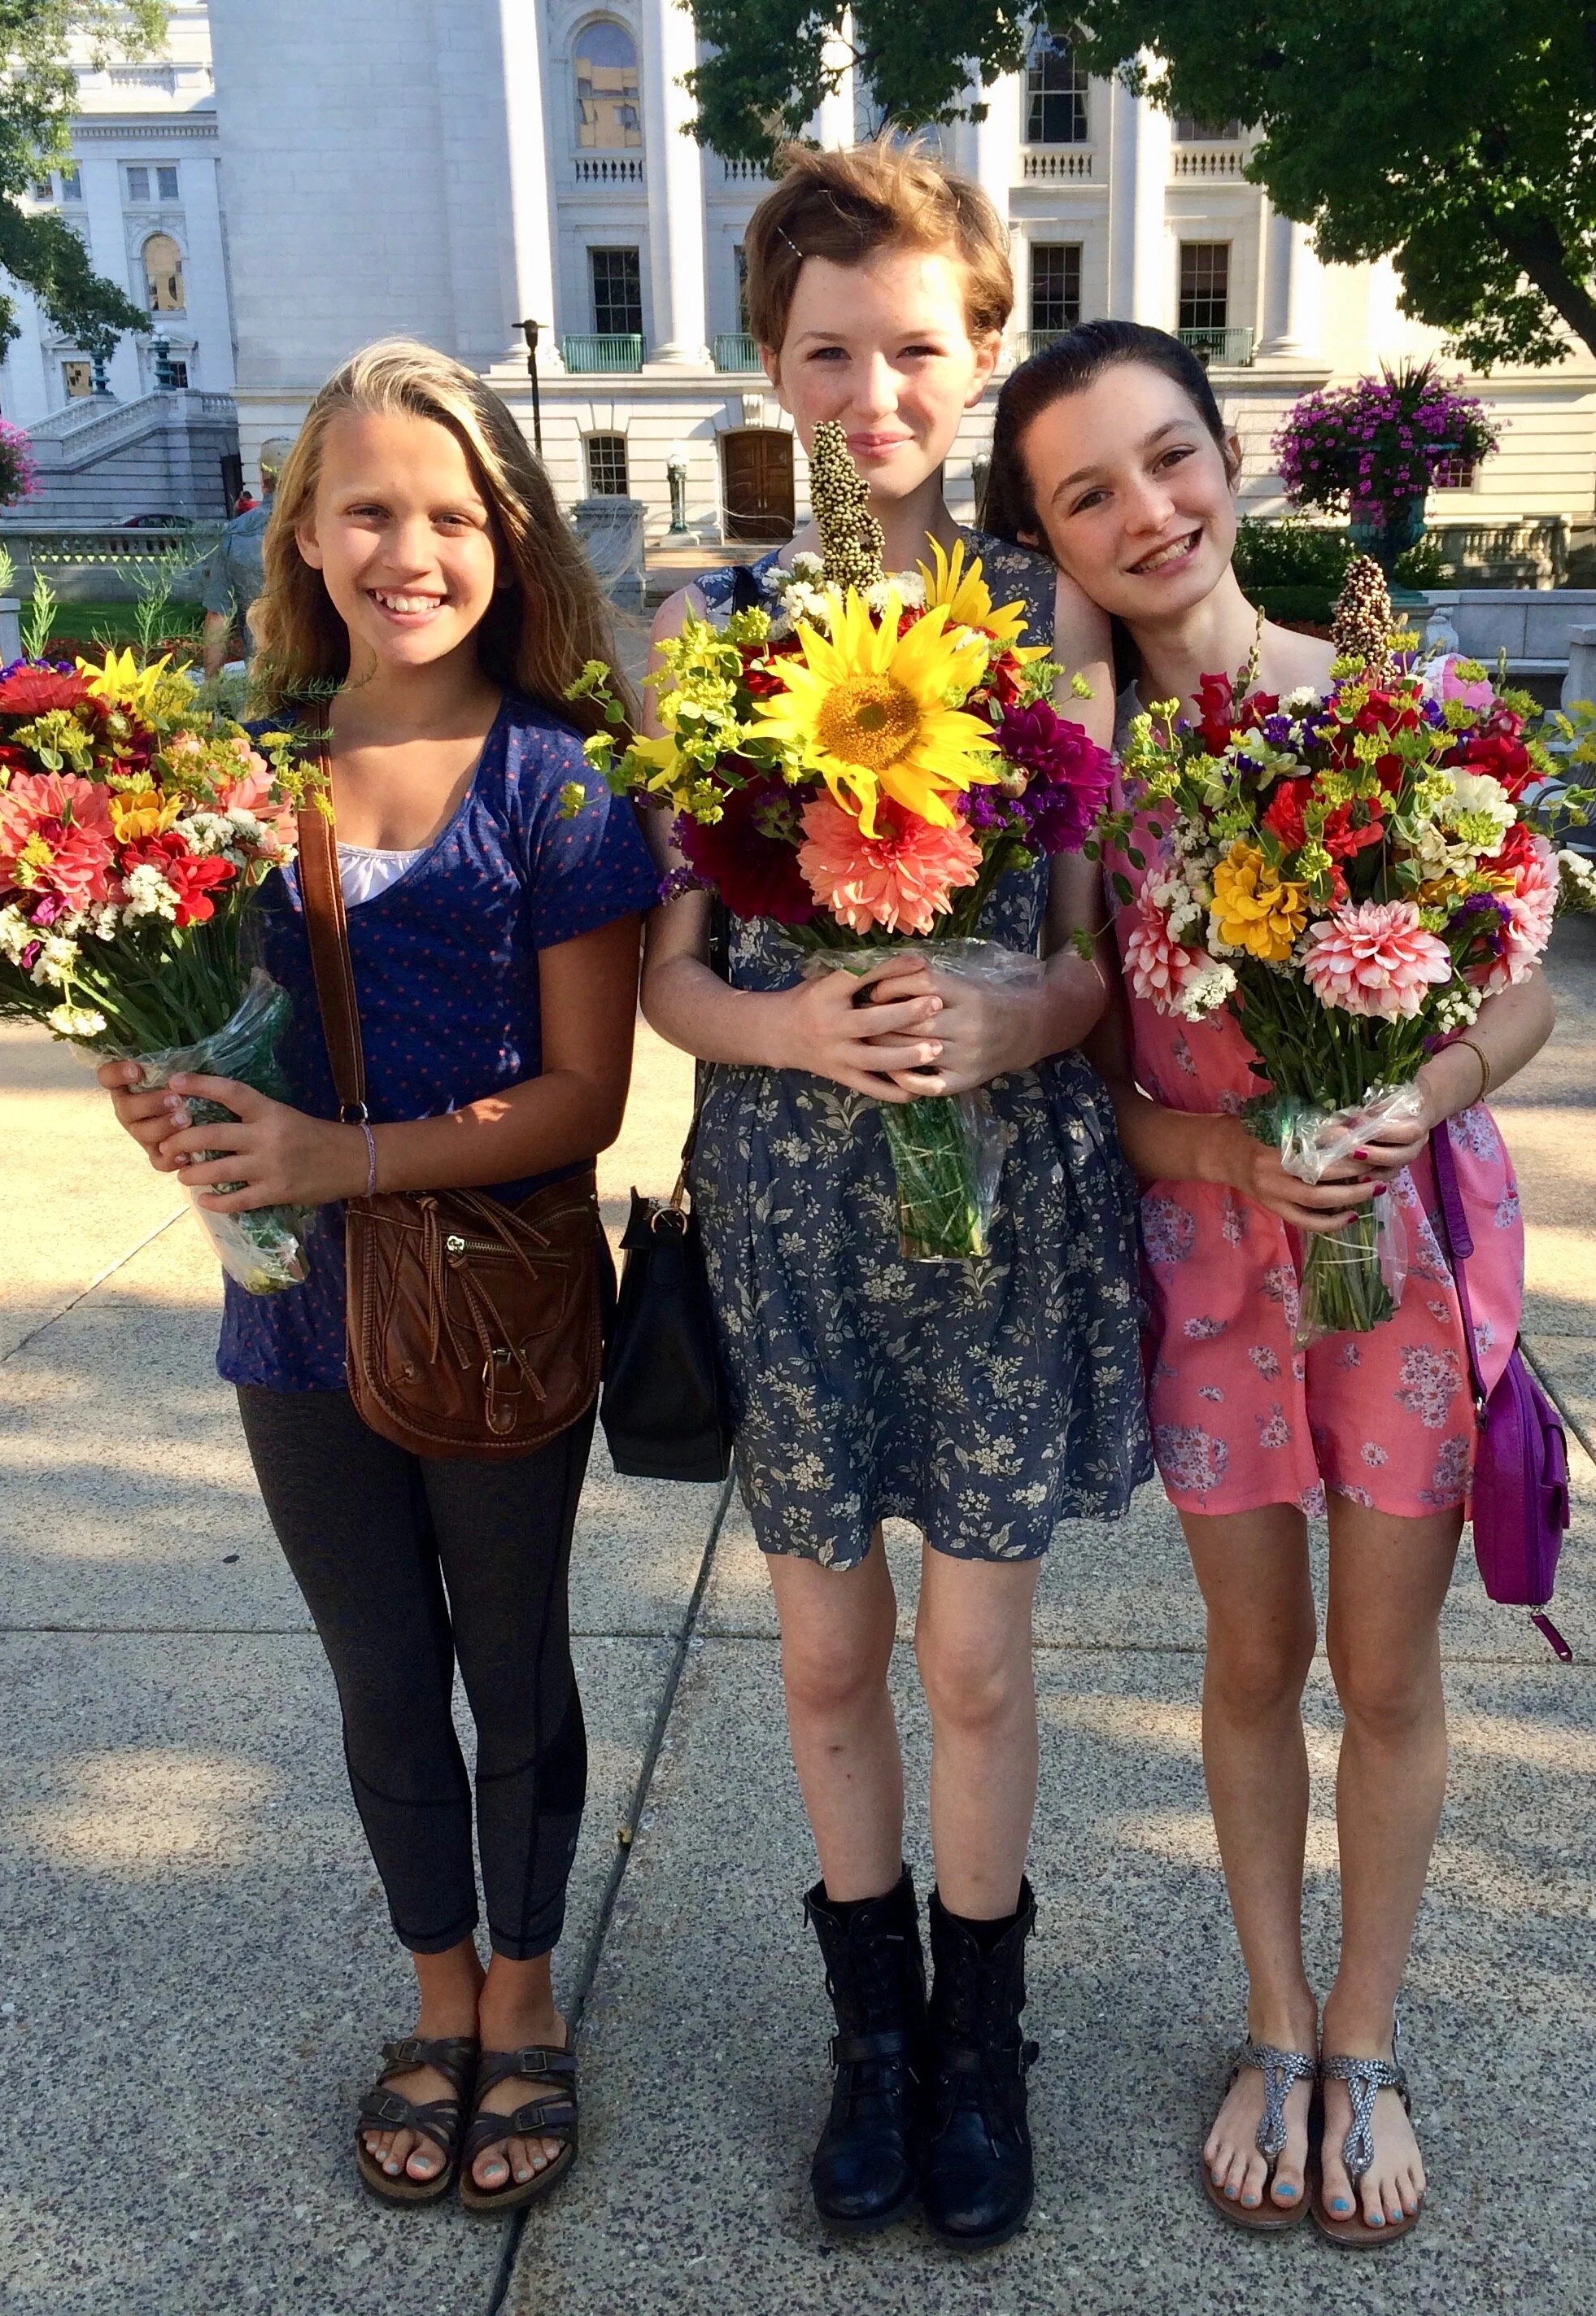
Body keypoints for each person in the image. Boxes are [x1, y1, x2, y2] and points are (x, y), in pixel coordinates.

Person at [988, 319, 1555, 2245]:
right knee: (1249, 1661)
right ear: (1047, 537)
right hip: (1211, 1268)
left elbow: (1526, 985)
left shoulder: (1393, 702)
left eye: (1168, 457)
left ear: (1229, 456)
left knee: (1383, 1667)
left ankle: (1366, 2038)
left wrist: (1423, 1085)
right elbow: (1093, 1077)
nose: (1146, 509)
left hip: (1399, 1260)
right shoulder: (1092, 788)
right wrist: (1234, 1151)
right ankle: (1272, 2020)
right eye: (1086, 492)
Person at [641, 144, 1151, 2252]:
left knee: (969, 1664)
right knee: (828, 1657)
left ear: (980, 355)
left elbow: (1093, 957)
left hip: (996, 1210)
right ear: (768, 366)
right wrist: (797, 1029)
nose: (872, 390)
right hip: (781, 1210)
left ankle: (976, 2036)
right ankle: (866, 2038)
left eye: (913, 346)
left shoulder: (1051, 623)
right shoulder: (715, 626)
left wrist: (1007, 1026)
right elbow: (672, 974)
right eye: (825, 349)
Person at [98, 340, 657, 2215]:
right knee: (378, 1673)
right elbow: (189, 1024)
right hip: (291, 1318)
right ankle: (433, 1989)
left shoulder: (559, 790)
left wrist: (352, 1157)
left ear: (507, 533)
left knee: (512, 1661)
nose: (408, 545)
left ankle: (527, 1994)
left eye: (448, 510)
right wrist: (158, 1086)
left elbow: (586, 1091)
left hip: (499, 1303)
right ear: (306, 533)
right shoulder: (236, 776)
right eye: (369, 508)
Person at [202, 437, 290, 673]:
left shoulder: (236, 533)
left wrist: (211, 687)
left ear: (263, 480)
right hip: (330, 685)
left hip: (262, 677)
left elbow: (218, 617)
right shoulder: (327, 527)